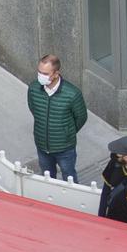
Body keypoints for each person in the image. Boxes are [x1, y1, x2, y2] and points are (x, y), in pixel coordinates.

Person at [26, 54, 87, 182]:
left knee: (69, 177)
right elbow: (34, 109)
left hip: (64, 148)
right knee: (48, 177)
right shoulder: (33, 89)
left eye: (45, 73)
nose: (40, 76)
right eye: (39, 71)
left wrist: (67, 132)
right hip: (42, 145)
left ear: (56, 74)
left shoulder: (72, 94)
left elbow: (81, 117)